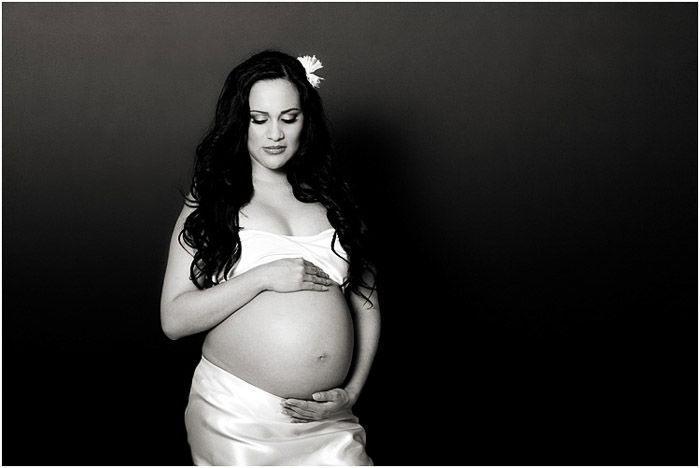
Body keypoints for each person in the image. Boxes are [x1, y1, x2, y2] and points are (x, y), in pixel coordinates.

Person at [160, 50, 380, 466]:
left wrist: (351, 391)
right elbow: (173, 320)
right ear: (238, 123)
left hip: (327, 422)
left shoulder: (333, 201)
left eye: (288, 117)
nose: (274, 133)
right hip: (240, 419)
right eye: (258, 119)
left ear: (306, 121)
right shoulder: (212, 202)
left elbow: (366, 304)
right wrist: (263, 277)